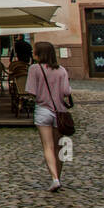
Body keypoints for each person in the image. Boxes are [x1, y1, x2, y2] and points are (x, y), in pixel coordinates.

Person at [25, 41, 72, 192]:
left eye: (34, 51)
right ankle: (59, 176)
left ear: (39, 54)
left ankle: (54, 178)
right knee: (59, 146)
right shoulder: (62, 70)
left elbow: (31, 91)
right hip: (60, 111)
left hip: (43, 110)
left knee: (48, 146)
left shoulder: (34, 69)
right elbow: (66, 91)